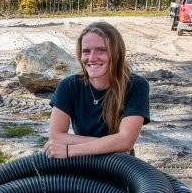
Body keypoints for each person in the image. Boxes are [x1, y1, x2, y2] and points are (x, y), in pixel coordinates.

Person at [44, 21, 150, 159]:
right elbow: (55, 136)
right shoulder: (69, 86)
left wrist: (70, 150)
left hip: (121, 165)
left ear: (117, 53)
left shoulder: (136, 86)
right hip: (83, 162)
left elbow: (126, 141)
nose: (92, 58)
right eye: (86, 51)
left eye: (101, 50)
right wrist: (113, 146)